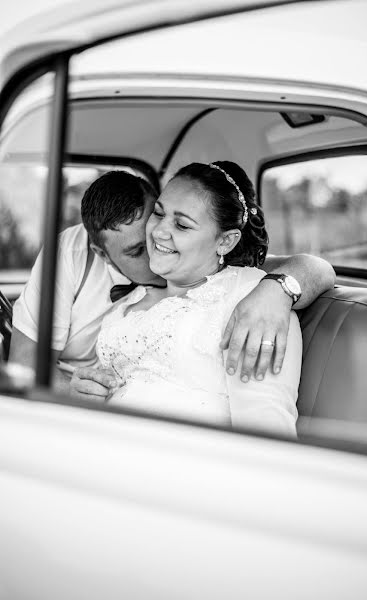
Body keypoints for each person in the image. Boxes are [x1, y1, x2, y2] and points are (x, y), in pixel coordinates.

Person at [9, 170, 335, 401]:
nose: (157, 238)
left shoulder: (210, 262)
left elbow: (313, 268)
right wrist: (74, 391)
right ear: (101, 253)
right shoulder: (72, 253)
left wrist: (277, 290)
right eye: (136, 250)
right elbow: (24, 367)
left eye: (172, 220)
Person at [97, 161, 302, 435]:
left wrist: (278, 290)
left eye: (182, 225)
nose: (159, 231)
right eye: (158, 214)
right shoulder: (132, 298)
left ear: (225, 241)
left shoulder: (255, 298)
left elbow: (267, 428)